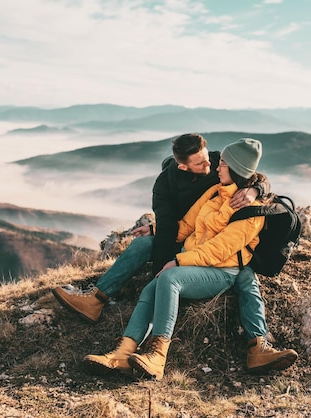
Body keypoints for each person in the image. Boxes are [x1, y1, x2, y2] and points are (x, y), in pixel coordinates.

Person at [53, 133, 293, 373]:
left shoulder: (251, 211)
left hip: (220, 269)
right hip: (196, 259)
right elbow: (186, 226)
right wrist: (157, 230)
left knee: (169, 277)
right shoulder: (211, 191)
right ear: (182, 165)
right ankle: (122, 355)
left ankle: (157, 355)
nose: (214, 165)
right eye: (213, 163)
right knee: (154, 284)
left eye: (221, 164)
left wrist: (177, 261)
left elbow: (219, 251)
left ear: (235, 170)